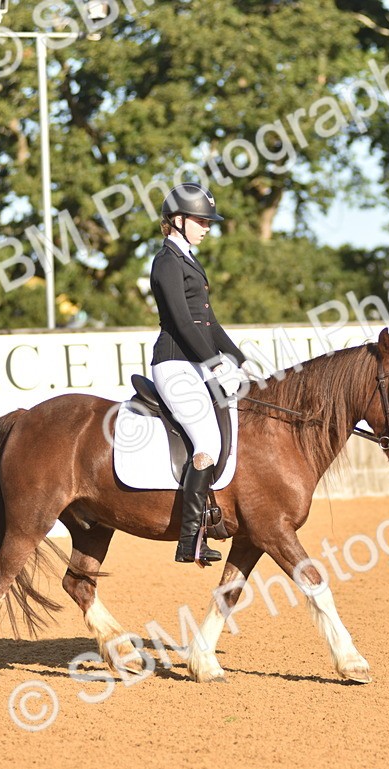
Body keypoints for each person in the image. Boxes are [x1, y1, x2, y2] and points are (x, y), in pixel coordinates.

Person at [149, 183, 257, 565]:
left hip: (194, 362)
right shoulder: (166, 262)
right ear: (176, 221)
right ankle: (189, 538)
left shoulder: (190, 261)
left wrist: (239, 360)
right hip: (174, 363)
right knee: (207, 441)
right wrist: (213, 362)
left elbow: (208, 322)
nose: (207, 226)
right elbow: (181, 322)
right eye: (200, 220)